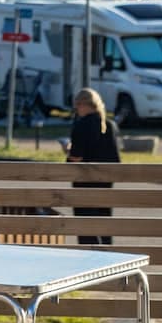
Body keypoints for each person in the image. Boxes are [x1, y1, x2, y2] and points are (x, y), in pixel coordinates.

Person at [66, 87, 120, 246]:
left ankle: (89, 260)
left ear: (84, 104)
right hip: (105, 182)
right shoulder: (109, 126)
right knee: (104, 223)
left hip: (84, 183)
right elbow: (115, 158)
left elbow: (76, 157)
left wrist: (67, 152)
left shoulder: (82, 125)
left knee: (85, 226)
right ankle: (109, 259)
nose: (76, 108)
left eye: (77, 104)